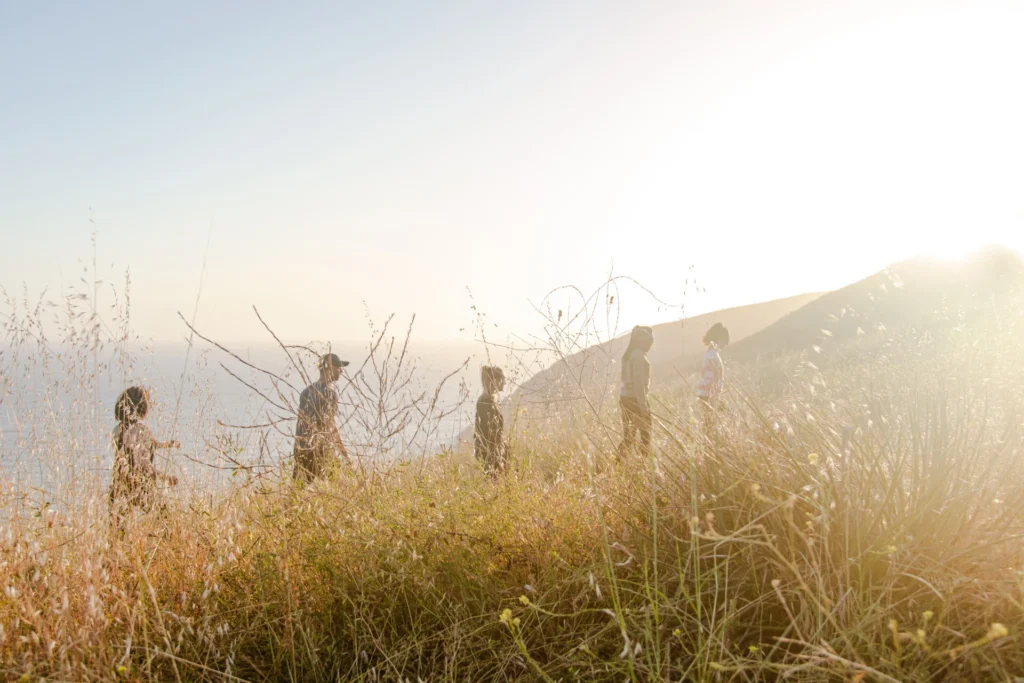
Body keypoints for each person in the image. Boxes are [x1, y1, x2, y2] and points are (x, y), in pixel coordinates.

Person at [109, 386, 180, 529]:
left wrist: (167, 444)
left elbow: (132, 454)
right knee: (166, 523)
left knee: (118, 532)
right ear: (141, 407)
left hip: (120, 485)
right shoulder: (143, 431)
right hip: (141, 486)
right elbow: (144, 465)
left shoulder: (117, 431)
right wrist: (166, 477)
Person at [293, 353, 350, 482]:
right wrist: (344, 454)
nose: (341, 371)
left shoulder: (306, 391)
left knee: (297, 490)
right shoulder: (329, 394)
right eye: (338, 367)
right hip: (320, 450)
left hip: (301, 447)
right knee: (338, 487)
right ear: (330, 368)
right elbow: (331, 426)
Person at [617, 325, 654, 459]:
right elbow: (638, 382)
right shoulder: (638, 355)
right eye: (650, 340)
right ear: (643, 340)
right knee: (645, 435)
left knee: (629, 436)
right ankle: (644, 463)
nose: (651, 343)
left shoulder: (629, 355)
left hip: (625, 398)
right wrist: (643, 406)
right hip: (636, 400)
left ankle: (618, 463)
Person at [696, 322, 730, 436]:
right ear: (719, 338)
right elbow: (709, 377)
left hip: (708, 395)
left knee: (709, 424)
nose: (726, 344)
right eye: (725, 341)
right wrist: (712, 399)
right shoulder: (712, 355)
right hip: (708, 395)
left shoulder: (711, 353)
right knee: (709, 426)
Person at [474, 365, 507, 477]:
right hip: (490, 455)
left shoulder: (490, 401)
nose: (505, 383)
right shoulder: (485, 402)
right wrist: (497, 455)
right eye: (502, 379)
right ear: (494, 381)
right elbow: (488, 434)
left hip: (494, 454)